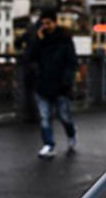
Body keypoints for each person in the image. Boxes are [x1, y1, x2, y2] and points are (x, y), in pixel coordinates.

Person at [29, 9, 78, 160]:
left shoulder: (65, 40)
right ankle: (49, 145)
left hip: (60, 86)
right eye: (43, 24)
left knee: (64, 116)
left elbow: (71, 62)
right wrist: (38, 40)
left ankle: (71, 134)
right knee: (45, 117)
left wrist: (67, 81)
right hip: (43, 85)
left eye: (48, 23)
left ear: (55, 22)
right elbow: (31, 57)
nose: (45, 26)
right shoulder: (40, 40)